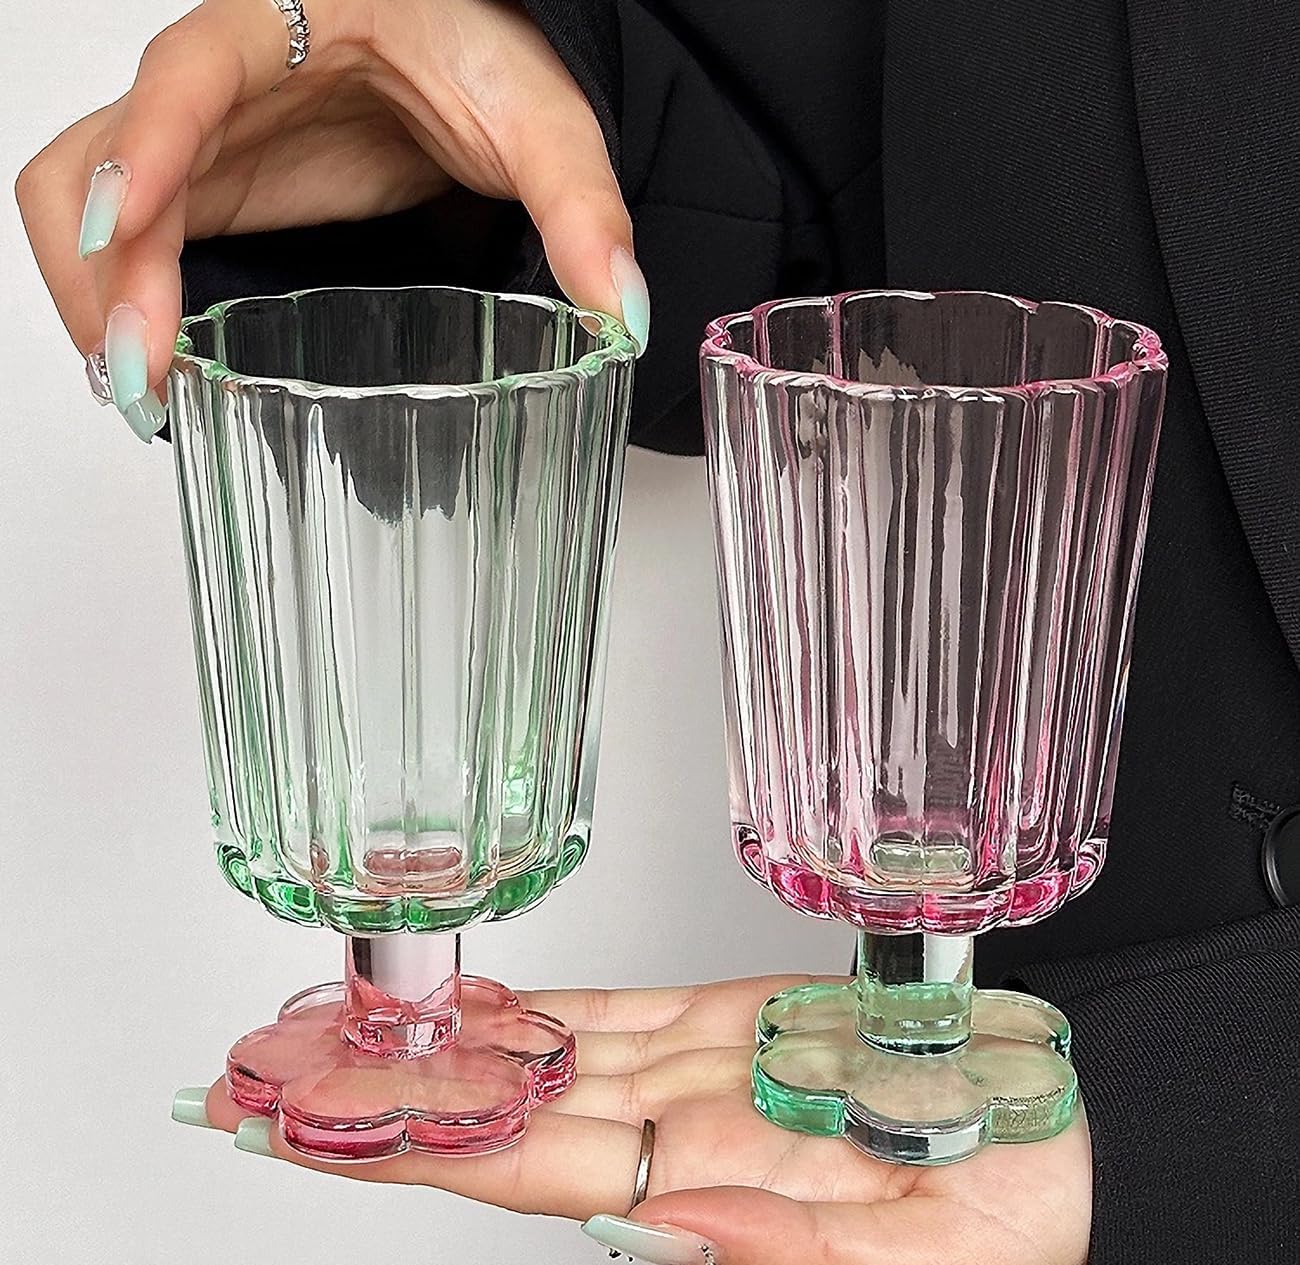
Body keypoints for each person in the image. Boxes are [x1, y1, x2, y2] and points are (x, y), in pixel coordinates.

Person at [15, 1, 1300, 1261]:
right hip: (1057, 1051)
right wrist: (517, 102)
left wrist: (1221, 1102)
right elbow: (852, 147)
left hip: (1143, 1060)